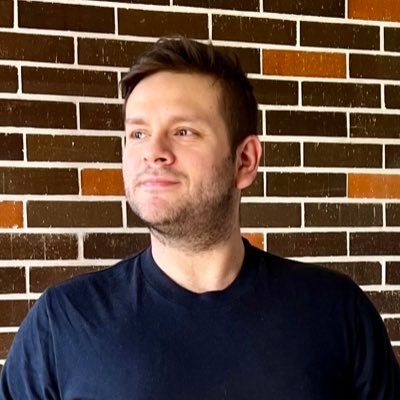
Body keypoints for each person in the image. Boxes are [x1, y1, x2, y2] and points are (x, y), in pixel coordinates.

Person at [1, 36, 399, 400]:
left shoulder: (335, 312)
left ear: (245, 160)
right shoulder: (64, 323)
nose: (152, 151)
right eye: (137, 134)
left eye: (184, 132)